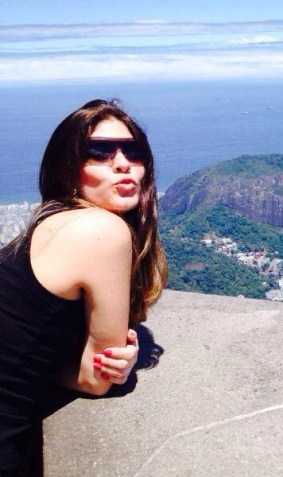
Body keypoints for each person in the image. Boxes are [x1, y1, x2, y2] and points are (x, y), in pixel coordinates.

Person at [0, 99, 168, 475]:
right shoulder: (102, 231)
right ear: (68, 168)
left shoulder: (47, 223)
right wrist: (112, 370)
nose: (122, 163)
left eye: (133, 151)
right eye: (99, 152)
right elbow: (95, 381)